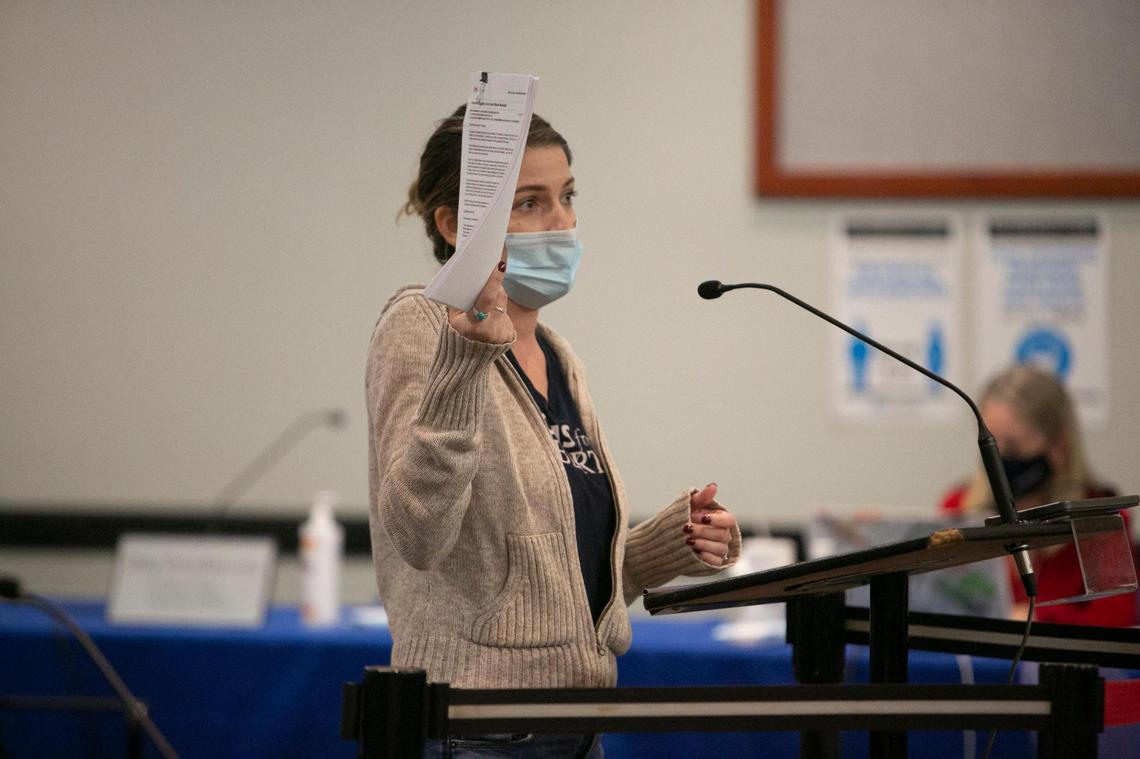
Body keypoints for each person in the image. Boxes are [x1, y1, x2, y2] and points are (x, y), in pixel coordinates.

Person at [366, 105, 742, 757]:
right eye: (530, 203)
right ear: (454, 225)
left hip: (576, 720)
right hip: (479, 728)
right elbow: (418, 534)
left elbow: (548, 579)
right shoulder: (419, 326)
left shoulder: (560, 357)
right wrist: (464, 359)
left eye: (567, 196)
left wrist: (673, 542)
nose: (562, 222)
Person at [939, 364, 1136, 627]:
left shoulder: (1102, 520)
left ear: (1059, 447)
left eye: (1013, 446)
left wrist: (1037, 619)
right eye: (990, 444)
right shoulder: (958, 509)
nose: (999, 458)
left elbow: (1117, 619)